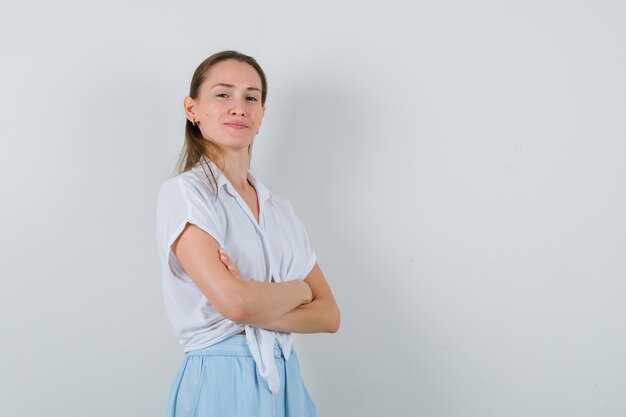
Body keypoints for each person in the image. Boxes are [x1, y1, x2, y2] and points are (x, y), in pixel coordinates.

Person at [155, 50, 340, 417]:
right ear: (192, 109)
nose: (238, 107)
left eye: (251, 97)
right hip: (223, 378)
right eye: (223, 94)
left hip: (286, 375)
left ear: (262, 115)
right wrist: (300, 291)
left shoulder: (279, 209)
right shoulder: (186, 194)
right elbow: (236, 304)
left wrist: (256, 302)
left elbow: (329, 315)